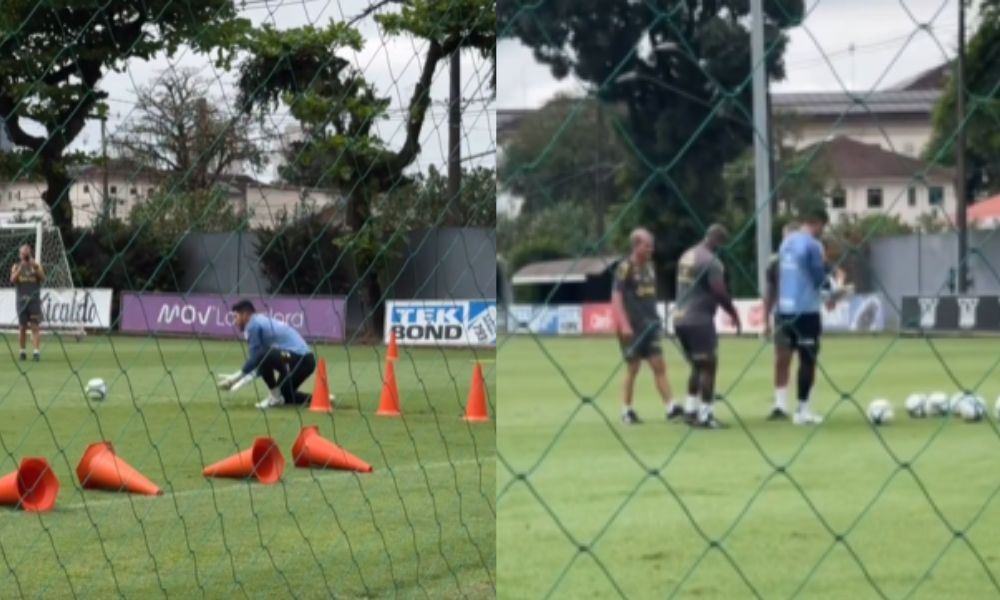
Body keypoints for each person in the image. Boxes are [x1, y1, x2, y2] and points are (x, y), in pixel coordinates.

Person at [672, 224, 741, 429]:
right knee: (709, 365)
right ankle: (706, 416)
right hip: (699, 319)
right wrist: (733, 313)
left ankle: (690, 409)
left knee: (696, 364)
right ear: (719, 242)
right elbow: (719, 291)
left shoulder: (687, 254)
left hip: (679, 318)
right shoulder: (712, 262)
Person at [611, 228, 675, 425]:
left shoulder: (650, 267)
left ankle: (671, 407)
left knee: (659, 364)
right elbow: (616, 298)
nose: (651, 249)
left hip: (651, 325)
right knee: (633, 367)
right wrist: (623, 324)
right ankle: (626, 410)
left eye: (651, 245)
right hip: (632, 327)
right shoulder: (625, 268)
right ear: (636, 245)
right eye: (647, 245)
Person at [772, 208, 829, 425]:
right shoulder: (812, 245)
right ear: (816, 223)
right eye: (822, 226)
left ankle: (781, 404)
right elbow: (818, 277)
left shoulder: (785, 243)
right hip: (806, 310)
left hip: (784, 310)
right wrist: (832, 293)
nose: (822, 231)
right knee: (808, 359)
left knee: (783, 357)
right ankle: (802, 410)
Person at [217, 300, 317, 409]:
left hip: (298, 358)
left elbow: (257, 357)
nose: (234, 321)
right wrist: (244, 377)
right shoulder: (260, 321)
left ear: (245, 315)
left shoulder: (253, 325)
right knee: (286, 396)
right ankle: (319, 398)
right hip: (300, 360)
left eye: (236, 317)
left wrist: (235, 378)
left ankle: (274, 397)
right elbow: (261, 363)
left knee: (263, 355)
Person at [10, 245, 45, 361]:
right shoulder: (16, 266)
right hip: (21, 301)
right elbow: (12, 280)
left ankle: (36, 352)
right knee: (22, 327)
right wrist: (20, 269)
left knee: (35, 327)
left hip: (34, 301)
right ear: (20, 255)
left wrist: (34, 267)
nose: (25, 256)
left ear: (30, 253)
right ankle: (22, 351)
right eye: (23, 253)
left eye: (27, 253)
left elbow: (43, 278)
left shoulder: (36, 265)